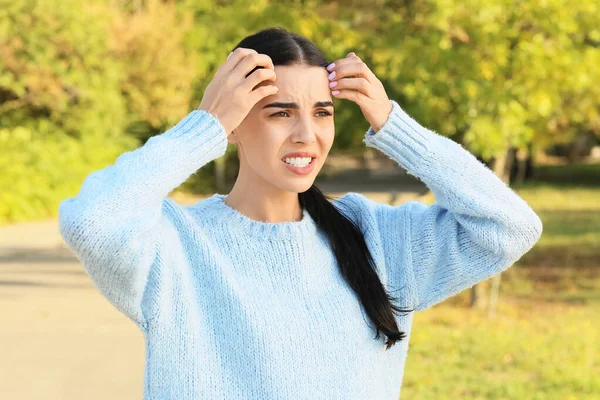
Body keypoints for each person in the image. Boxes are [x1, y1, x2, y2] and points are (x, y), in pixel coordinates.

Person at [58, 27, 543, 400]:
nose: (306, 135)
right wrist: (200, 128)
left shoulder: (379, 238)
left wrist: (397, 127)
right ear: (234, 122)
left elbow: (510, 227)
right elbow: (91, 221)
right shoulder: (175, 246)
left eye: (323, 112)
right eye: (280, 112)